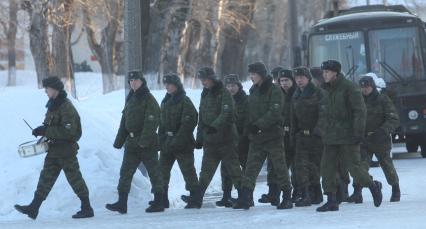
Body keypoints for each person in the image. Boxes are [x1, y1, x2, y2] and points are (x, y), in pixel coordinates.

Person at [15, 76, 94, 219]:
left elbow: (68, 131)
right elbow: (50, 126)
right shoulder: (53, 105)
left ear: (54, 89)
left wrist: (46, 131)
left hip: (66, 151)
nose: (45, 91)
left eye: (47, 89)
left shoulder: (66, 107)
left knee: (75, 179)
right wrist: (41, 131)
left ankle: (87, 208)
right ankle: (34, 208)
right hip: (54, 150)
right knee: (45, 179)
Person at [317, 60, 383, 212]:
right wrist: (321, 129)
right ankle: (331, 200)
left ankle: (373, 186)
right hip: (330, 136)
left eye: (327, 72)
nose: (324, 74)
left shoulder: (349, 87)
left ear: (336, 73)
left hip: (348, 136)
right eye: (324, 72)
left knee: (354, 168)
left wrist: (358, 133)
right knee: (326, 168)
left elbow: (360, 111)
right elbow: (322, 111)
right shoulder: (324, 89)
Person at [233, 62, 293, 210]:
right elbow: (250, 112)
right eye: (250, 74)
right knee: (251, 168)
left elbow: (275, 112)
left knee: (280, 168)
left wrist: (258, 125)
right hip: (257, 138)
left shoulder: (275, 90)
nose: (251, 77)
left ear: (261, 74)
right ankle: (246, 197)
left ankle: (287, 197)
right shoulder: (253, 91)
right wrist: (248, 127)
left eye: (253, 74)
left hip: (273, 136)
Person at [106, 70, 164, 214]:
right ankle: (122, 203)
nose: (133, 83)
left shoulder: (148, 99)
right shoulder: (131, 98)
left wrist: (143, 140)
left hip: (147, 143)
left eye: (136, 80)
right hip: (131, 143)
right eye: (131, 81)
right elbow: (124, 120)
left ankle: (159, 202)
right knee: (125, 172)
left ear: (142, 82)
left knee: (154, 172)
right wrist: (119, 141)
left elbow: (152, 120)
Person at [194, 67, 244, 208]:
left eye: (205, 79)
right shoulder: (205, 94)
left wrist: (214, 126)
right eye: (201, 80)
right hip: (210, 141)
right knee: (206, 170)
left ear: (212, 78)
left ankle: (243, 197)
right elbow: (201, 118)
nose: (203, 82)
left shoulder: (224, 93)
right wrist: (199, 138)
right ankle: (197, 198)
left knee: (234, 169)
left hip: (226, 139)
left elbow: (226, 113)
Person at [347, 75, 400, 203]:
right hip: (364, 139)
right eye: (362, 87)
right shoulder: (357, 101)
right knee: (360, 166)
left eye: (367, 87)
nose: (364, 89)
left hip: (380, 139)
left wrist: (383, 131)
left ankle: (395, 189)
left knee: (386, 165)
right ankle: (357, 191)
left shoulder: (382, 100)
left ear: (372, 86)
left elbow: (393, 118)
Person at [157, 73, 201, 209]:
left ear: (176, 85)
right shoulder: (165, 101)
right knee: (161, 171)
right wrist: (161, 140)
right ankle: (161, 199)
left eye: (169, 84)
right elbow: (162, 123)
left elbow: (189, 123)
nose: (167, 87)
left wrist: (177, 140)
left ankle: (195, 198)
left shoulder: (184, 101)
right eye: (166, 84)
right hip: (167, 143)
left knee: (188, 171)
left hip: (183, 143)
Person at [258, 68, 298, 205]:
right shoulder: (277, 94)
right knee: (275, 165)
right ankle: (273, 193)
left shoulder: (298, 94)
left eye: (287, 80)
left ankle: (298, 193)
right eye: (281, 81)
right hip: (279, 134)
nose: (284, 83)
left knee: (296, 166)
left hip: (295, 134)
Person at [291, 66, 325, 207]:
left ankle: (316, 193)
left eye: (302, 78)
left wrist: (317, 131)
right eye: (297, 78)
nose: (299, 80)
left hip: (315, 136)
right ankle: (306, 194)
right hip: (301, 136)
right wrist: (294, 134)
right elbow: (293, 117)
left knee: (314, 166)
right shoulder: (296, 94)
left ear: (308, 78)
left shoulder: (318, 93)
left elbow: (323, 114)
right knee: (301, 167)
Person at [216, 74, 250, 207]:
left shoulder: (245, 100)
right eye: (228, 86)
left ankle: (247, 196)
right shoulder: (223, 100)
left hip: (242, 139)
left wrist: (244, 137)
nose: (231, 88)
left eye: (233, 86)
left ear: (239, 86)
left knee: (245, 169)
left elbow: (248, 120)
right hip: (228, 140)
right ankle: (226, 195)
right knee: (225, 168)